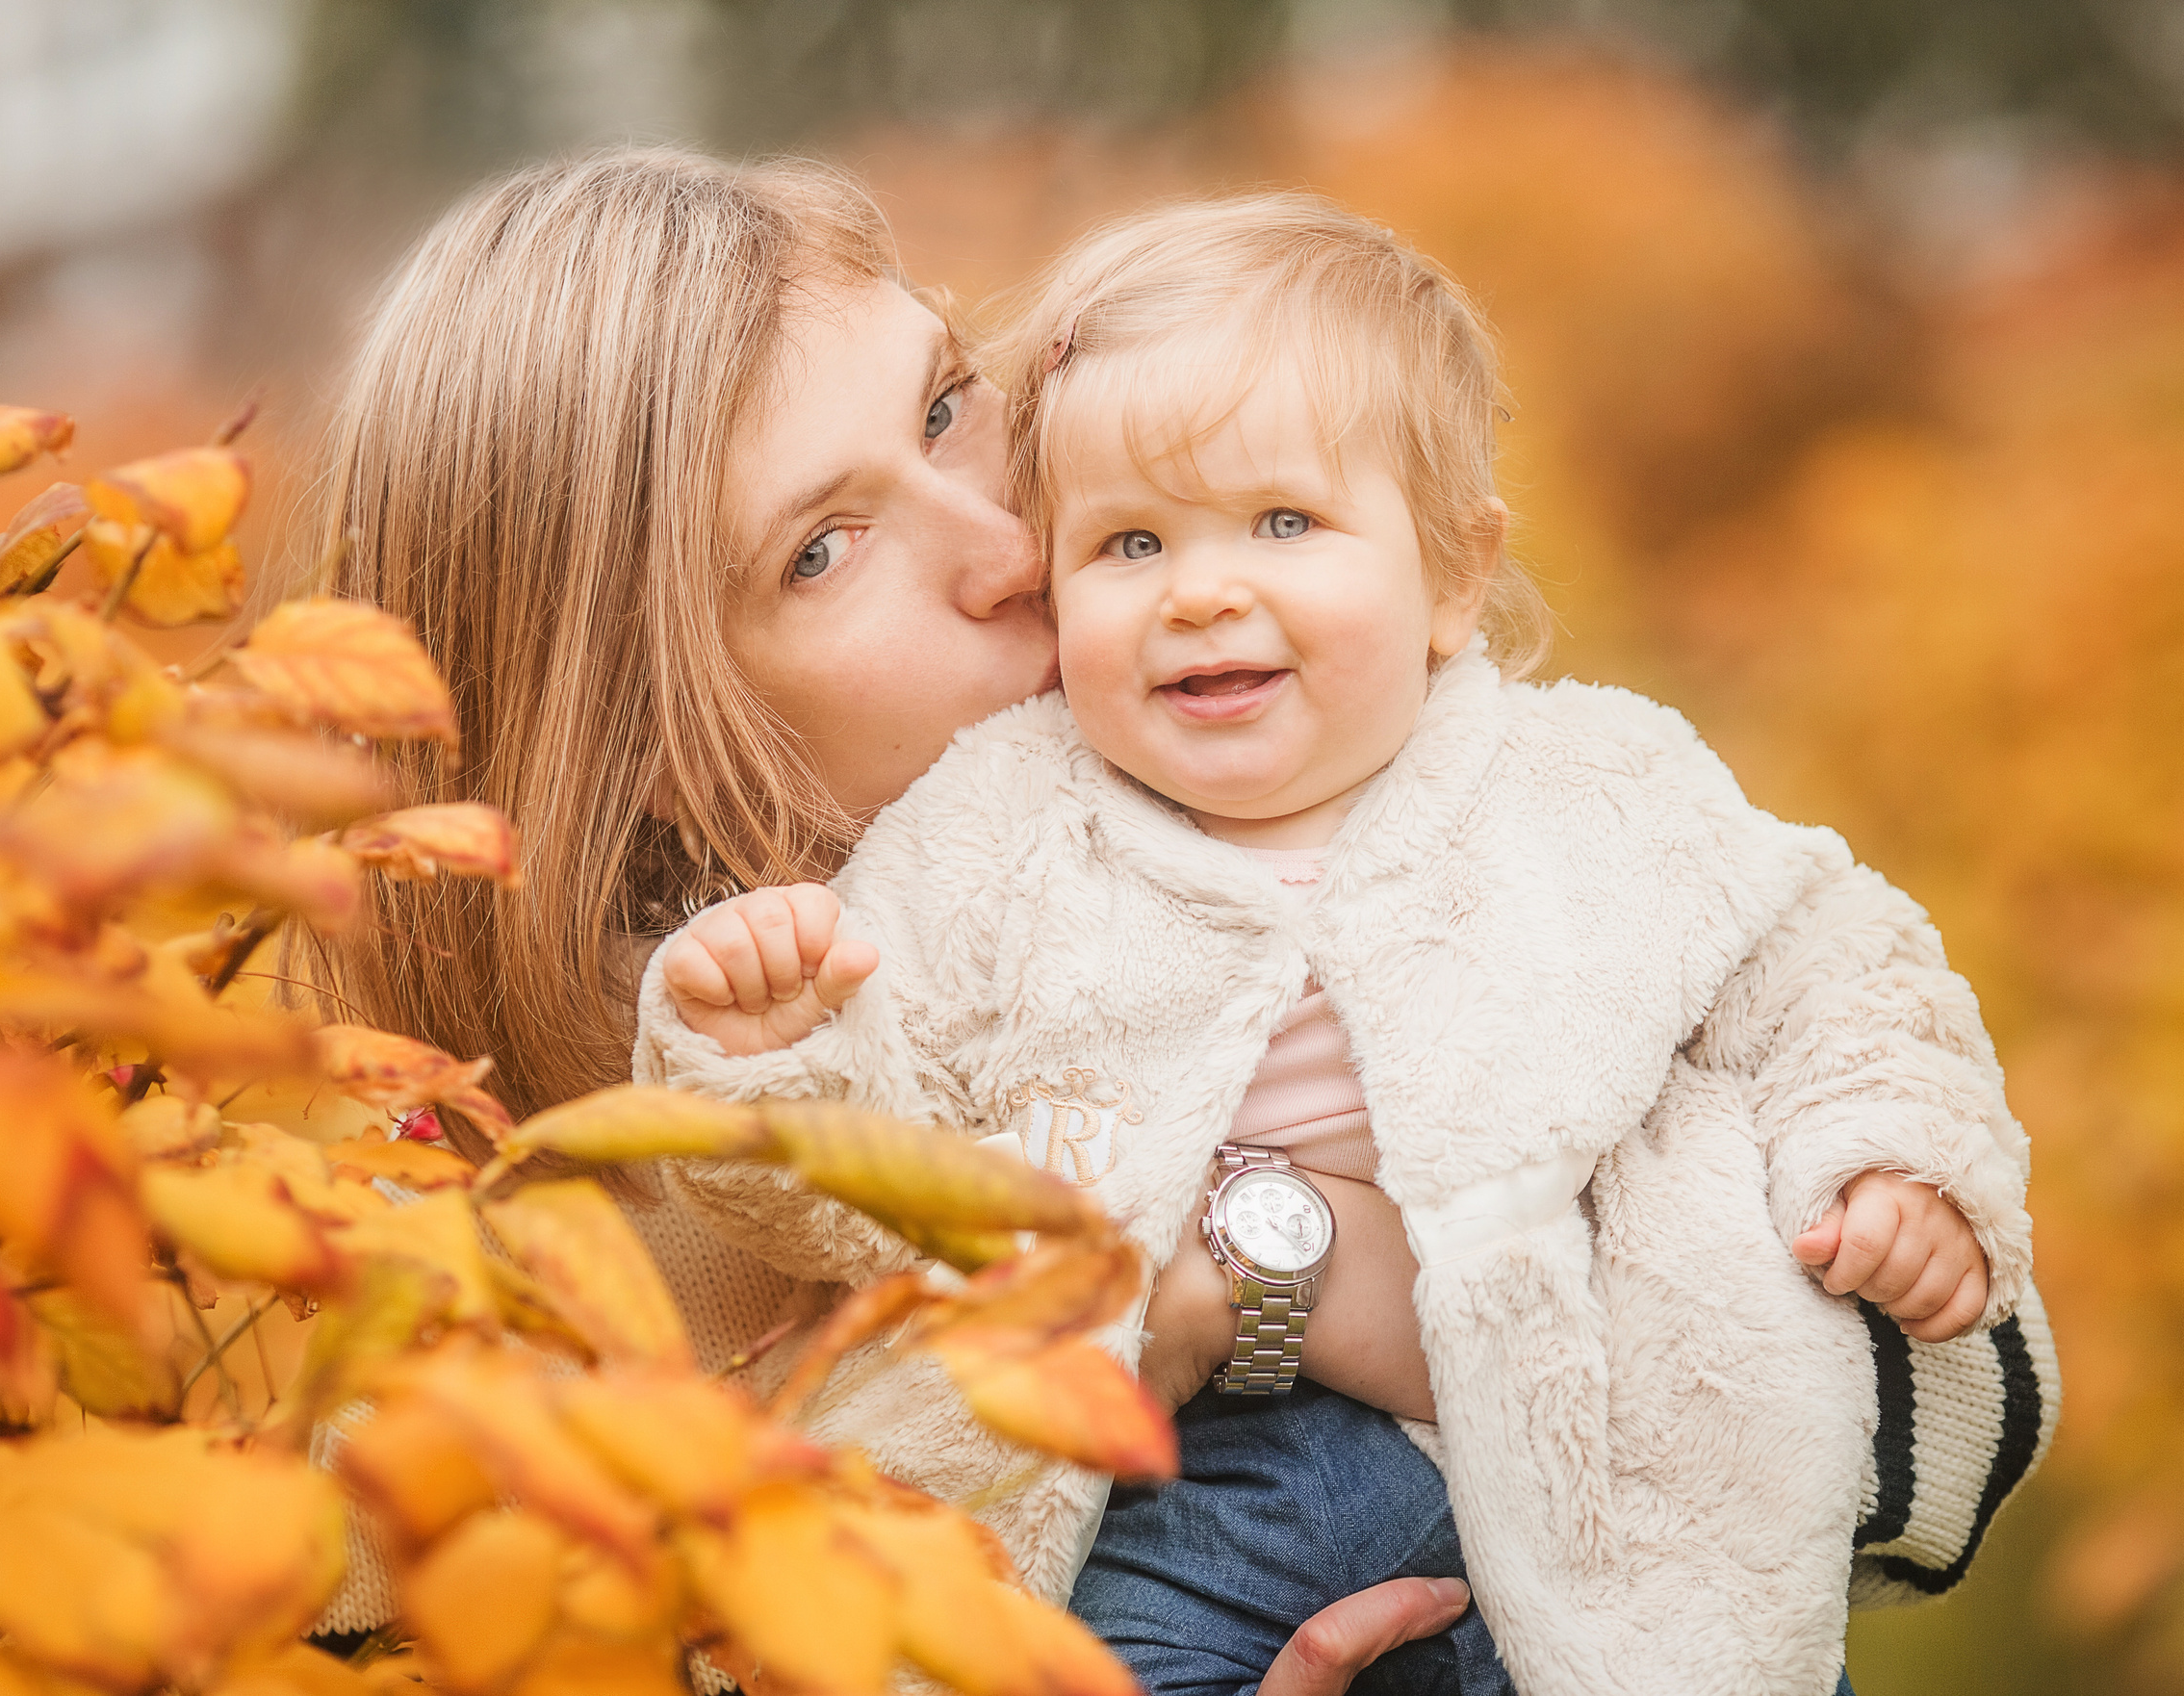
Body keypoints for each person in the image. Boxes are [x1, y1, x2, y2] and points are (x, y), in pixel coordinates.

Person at [637, 195, 2049, 1695]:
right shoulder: (999, 825)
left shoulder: (1588, 784)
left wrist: (1889, 1157)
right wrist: (772, 1050)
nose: (1200, 588)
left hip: (1574, 1482)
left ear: (1451, 577)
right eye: (1128, 540)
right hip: (1187, 1491)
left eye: (1285, 523)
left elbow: (1835, 963)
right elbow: (873, 1139)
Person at [300, 148, 1466, 1684]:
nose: (1004, 553)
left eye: (941, 407)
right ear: (642, 749)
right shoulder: (532, 1337)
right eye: (821, 550)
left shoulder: (1357, 763)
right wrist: (1144, 1315)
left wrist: (1263, 1260)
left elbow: (1869, 1405)